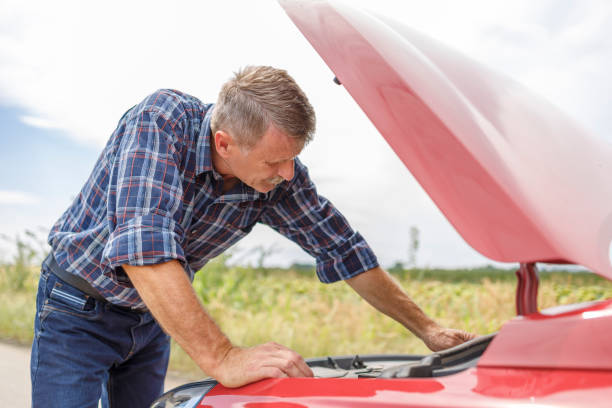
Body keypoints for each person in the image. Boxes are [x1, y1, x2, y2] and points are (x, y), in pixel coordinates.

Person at [31, 66, 475, 408]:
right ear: (224, 144)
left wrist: (429, 329)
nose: (287, 174)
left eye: (293, 159)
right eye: (275, 161)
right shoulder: (160, 123)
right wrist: (223, 356)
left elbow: (344, 249)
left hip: (153, 320)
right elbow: (144, 250)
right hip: (77, 312)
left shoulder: (278, 181)